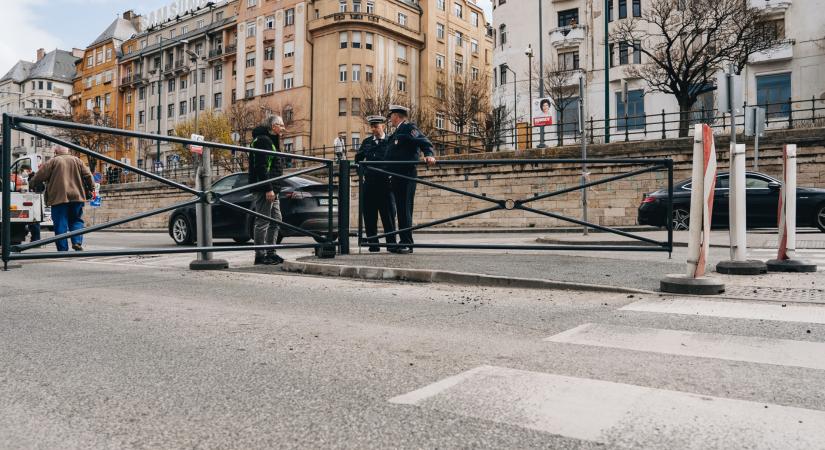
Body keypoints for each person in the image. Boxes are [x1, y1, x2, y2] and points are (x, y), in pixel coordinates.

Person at [384, 105, 437, 254]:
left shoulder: (408, 128)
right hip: (396, 176)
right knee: (401, 210)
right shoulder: (397, 132)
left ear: (397, 116)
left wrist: (428, 154)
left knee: (405, 209)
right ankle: (404, 241)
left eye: (391, 116)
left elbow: (424, 141)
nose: (390, 119)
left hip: (406, 175)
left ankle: (407, 242)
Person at [29, 146, 93, 251]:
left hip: (59, 197)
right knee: (76, 220)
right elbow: (88, 175)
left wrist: (31, 184)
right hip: (77, 197)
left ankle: (63, 249)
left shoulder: (53, 161)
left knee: (60, 222)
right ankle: (77, 242)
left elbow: (40, 176)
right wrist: (91, 188)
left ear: (55, 151)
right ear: (68, 151)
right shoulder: (77, 160)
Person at [355, 115, 397, 252]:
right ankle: (373, 244)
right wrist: (361, 173)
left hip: (386, 184)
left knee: (388, 215)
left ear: (383, 126)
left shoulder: (391, 140)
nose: (374, 129)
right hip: (370, 184)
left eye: (376, 126)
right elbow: (358, 159)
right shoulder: (367, 142)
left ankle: (391, 244)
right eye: (372, 126)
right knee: (369, 215)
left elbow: (396, 159)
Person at [249, 115, 286, 265]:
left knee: (276, 220)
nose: (283, 128)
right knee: (263, 221)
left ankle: (271, 252)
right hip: (266, 188)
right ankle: (260, 255)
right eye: (281, 125)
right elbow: (261, 166)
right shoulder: (263, 140)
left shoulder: (270, 140)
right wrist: (268, 188)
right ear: (274, 126)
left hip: (273, 187)